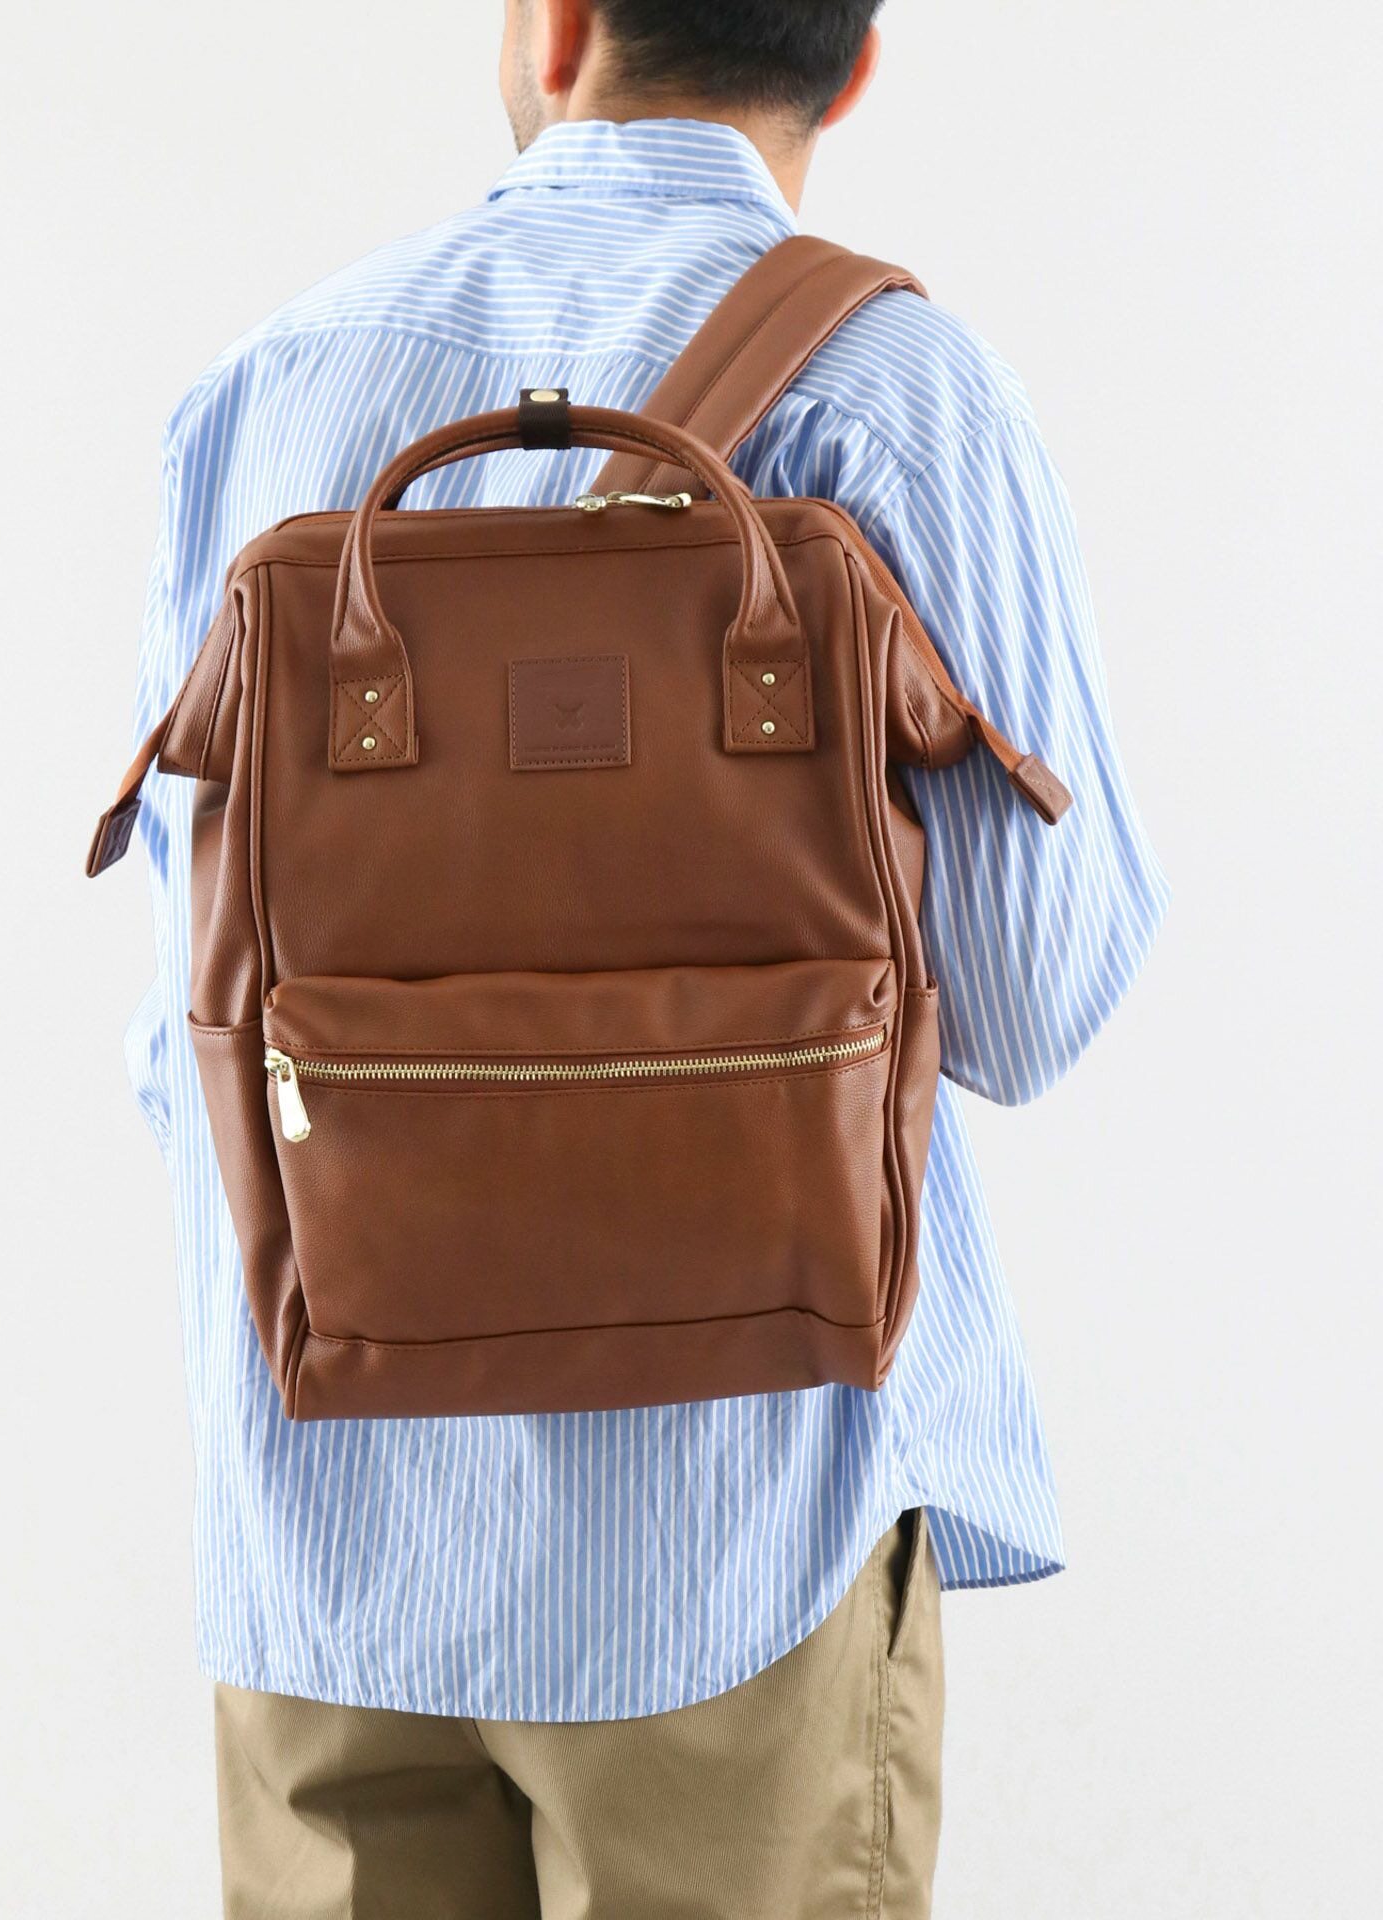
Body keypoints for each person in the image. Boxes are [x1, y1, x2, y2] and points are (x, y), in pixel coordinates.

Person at [123, 3, 1168, 1913]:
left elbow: (191, 1006)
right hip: (734, 1544)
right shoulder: (895, 389)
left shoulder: (280, 375)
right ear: (851, 66)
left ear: (558, 24)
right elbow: (1031, 997)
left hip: (324, 1538)